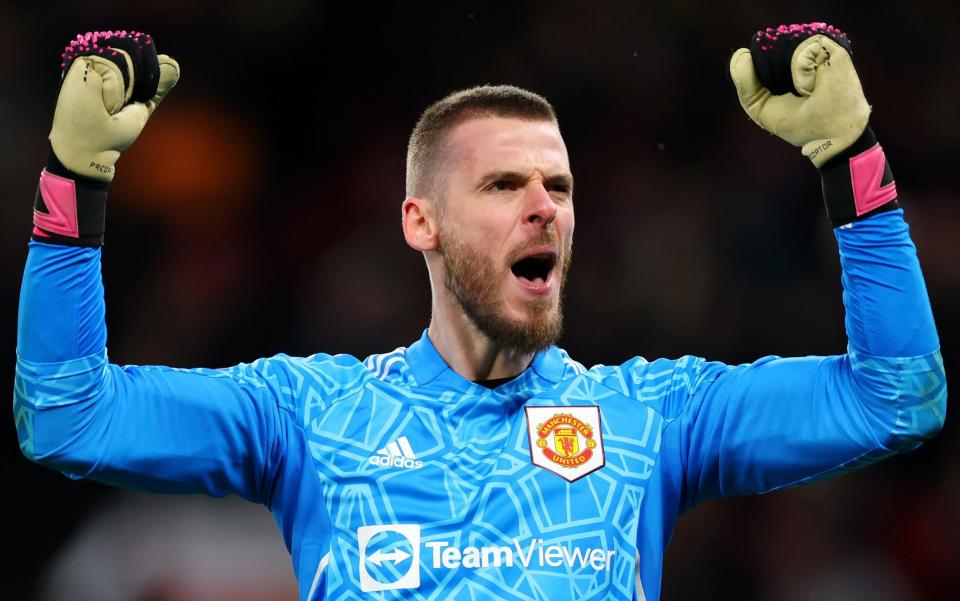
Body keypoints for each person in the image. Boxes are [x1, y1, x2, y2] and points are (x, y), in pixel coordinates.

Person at [15, 23, 946, 601]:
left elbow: (895, 400)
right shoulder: (308, 413)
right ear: (419, 221)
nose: (545, 206)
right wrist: (75, 184)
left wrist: (852, 162)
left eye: (560, 186)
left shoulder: (656, 416)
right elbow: (66, 415)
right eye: (504, 183)